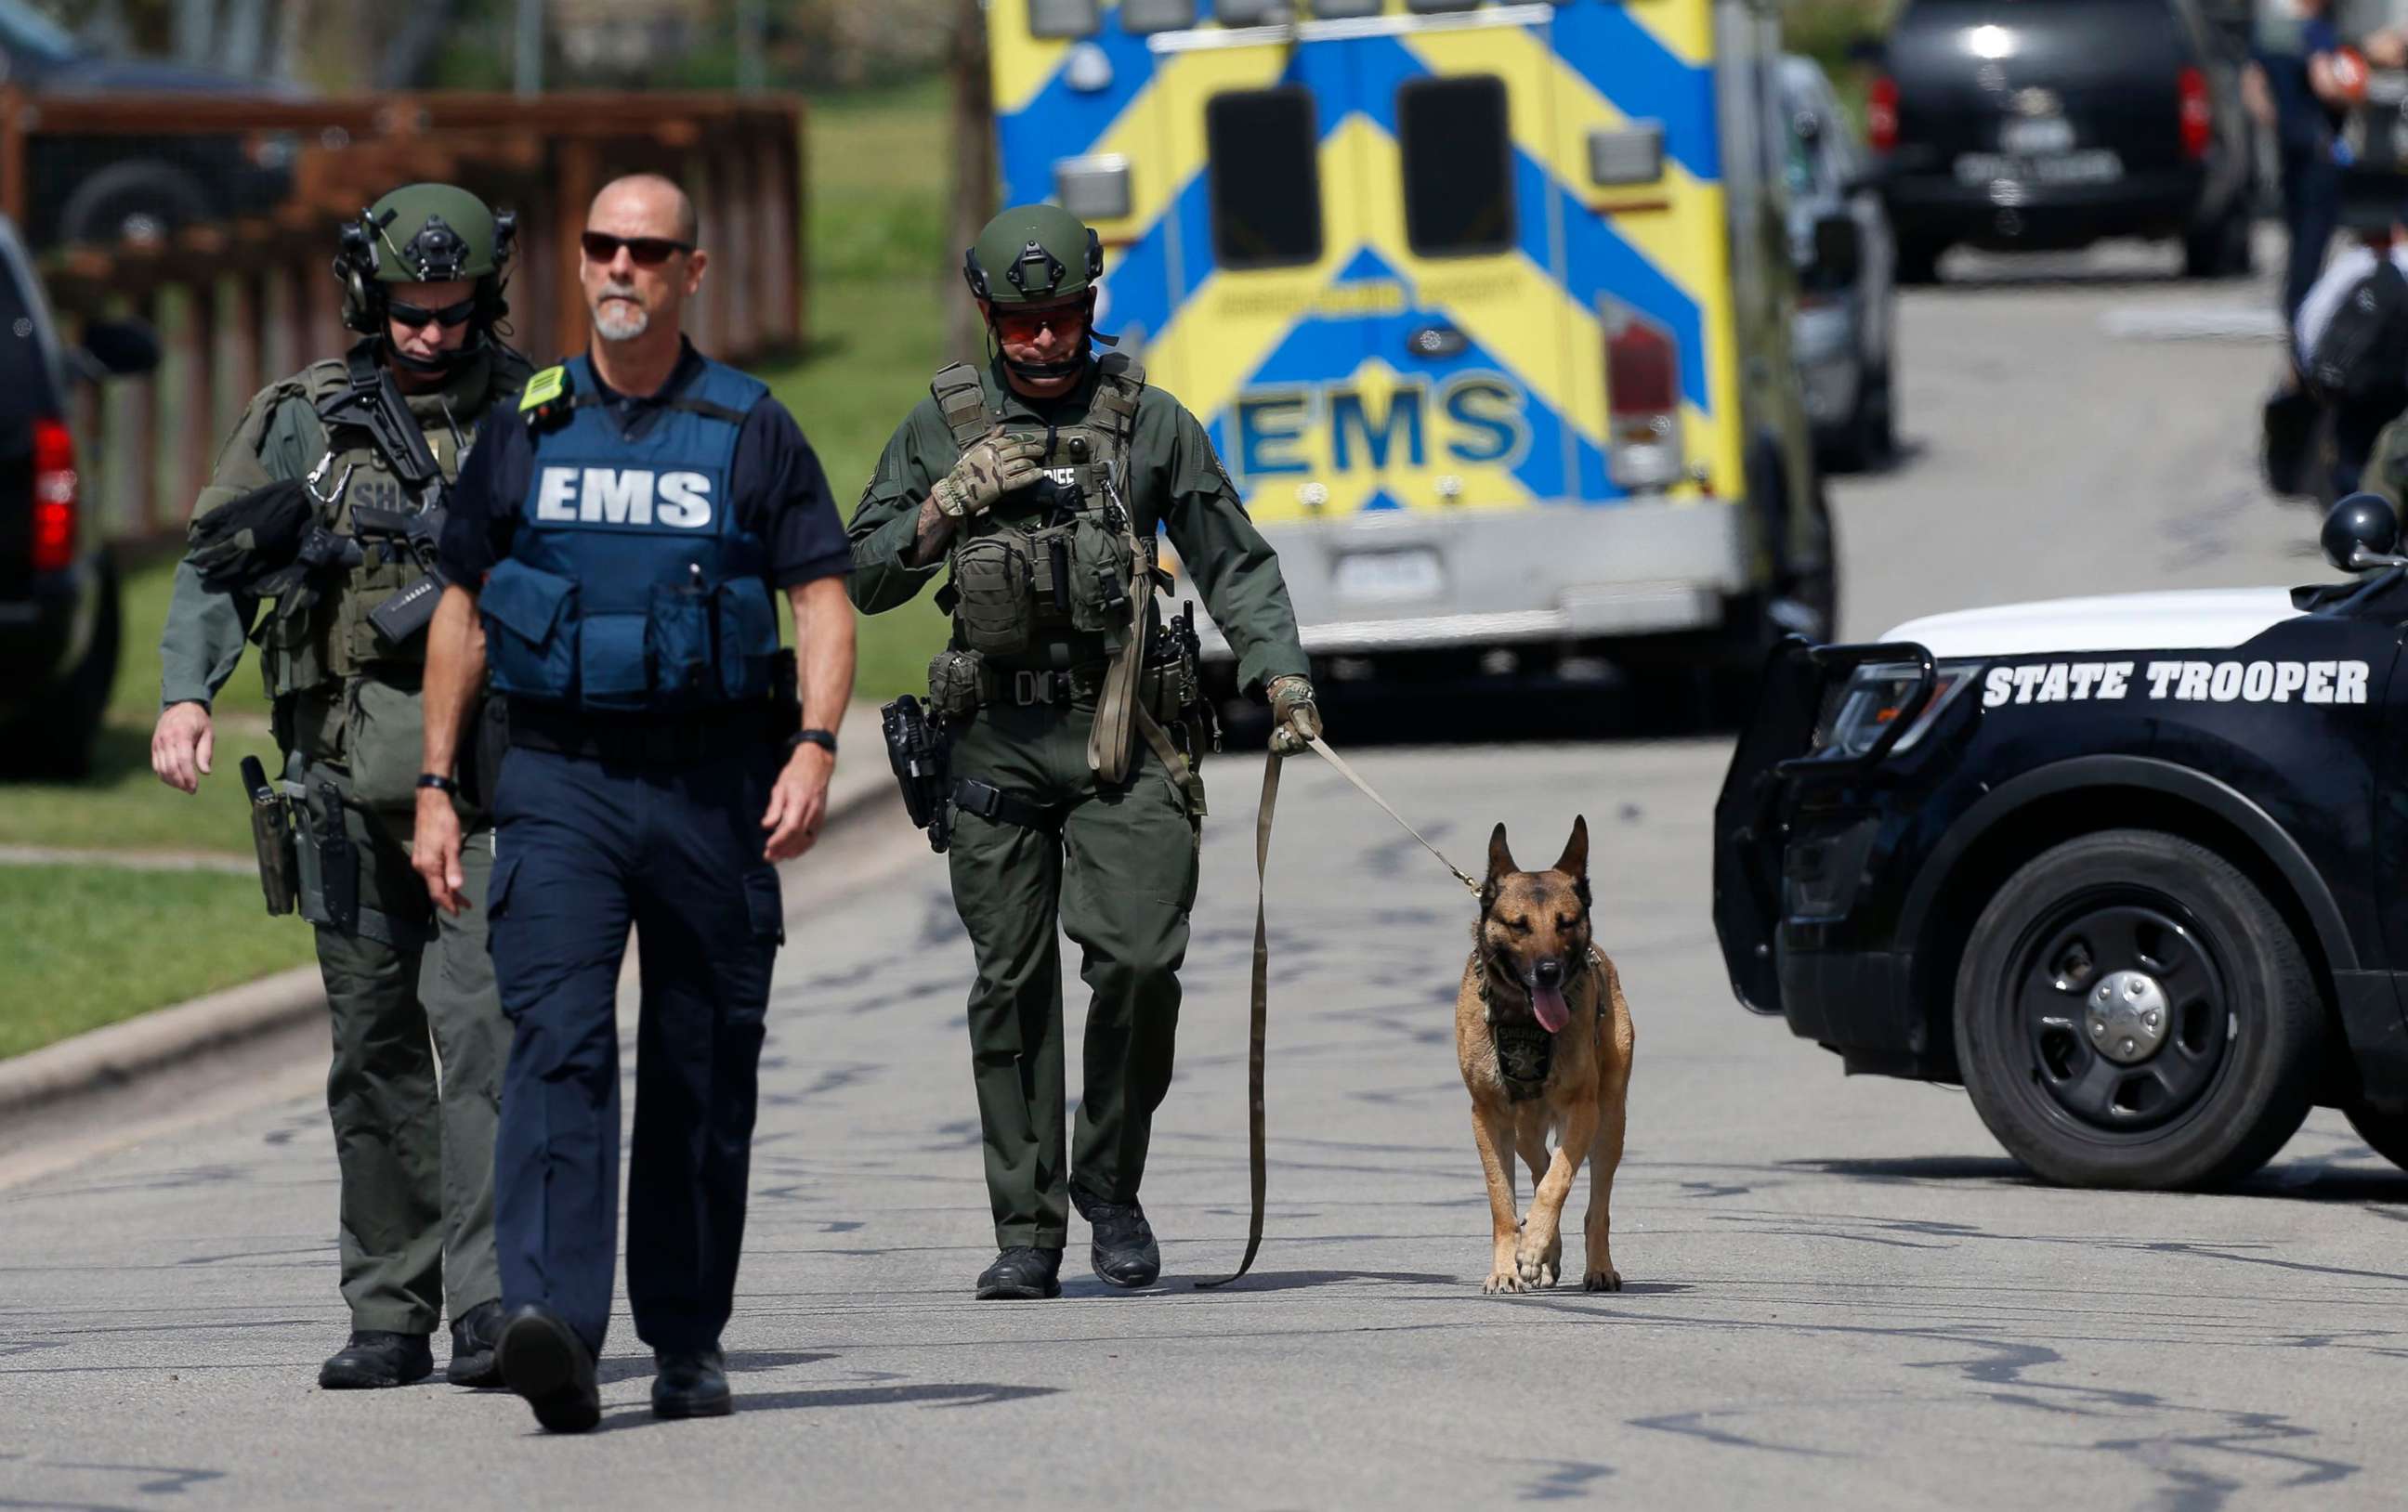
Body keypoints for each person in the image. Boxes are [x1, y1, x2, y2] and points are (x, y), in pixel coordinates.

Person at [412, 173, 856, 1432]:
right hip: (558, 782)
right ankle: (553, 1324)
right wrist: (439, 787)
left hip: (713, 786)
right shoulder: (531, 426)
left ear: (690, 273)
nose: (619, 268)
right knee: (555, 1041)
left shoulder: (749, 427)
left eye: (647, 252)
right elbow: (461, 606)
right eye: (601, 246)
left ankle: (686, 1339)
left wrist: (816, 747)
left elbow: (820, 593)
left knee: (702, 1062)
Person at [846, 203, 1321, 1301]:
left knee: (1142, 960)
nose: (1047, 341)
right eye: (1022, 323)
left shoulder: (1153, 423)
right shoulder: (941, 425)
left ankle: (1110, 1182)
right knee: (1009, 985)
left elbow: (1234, 559)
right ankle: (1028, 1227)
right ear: (986, 315)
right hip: (994, 746)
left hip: (1127, 736)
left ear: (1090, 305)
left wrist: (1281, 671)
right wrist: (933, 516)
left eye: (1064, 316)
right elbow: (861, 573)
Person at [150, 183, 530, 1391]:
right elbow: (217, 567)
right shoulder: (301, 422)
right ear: (371, 297)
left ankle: (489, 1304)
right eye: (410, 312)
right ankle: (388, 1309)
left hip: (484, 797)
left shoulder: (542, 416)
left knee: (481, 1041)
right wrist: (187, 692)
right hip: (338, 787)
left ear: (487, 299)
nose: (430, 334)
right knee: (369, 1052)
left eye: (453, 312)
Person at [2295, 193, 2408, 498]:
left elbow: (2310, 321)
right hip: (2400, 396)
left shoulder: (2359, 264)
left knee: (2353, 459)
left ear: (2397, 229)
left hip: (2354, 390)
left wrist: (2312, 374)